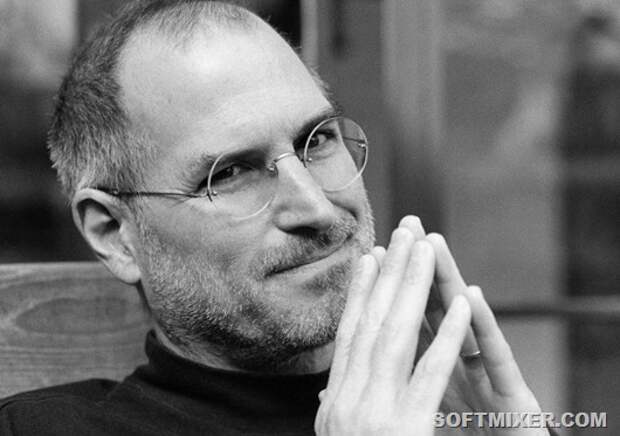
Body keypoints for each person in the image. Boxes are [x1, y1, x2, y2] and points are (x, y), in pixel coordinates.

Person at [0, 1, 554, 435]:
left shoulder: (471, 417)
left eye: (318, 140)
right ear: (114, 233)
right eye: (232, 173)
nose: (315, 206)